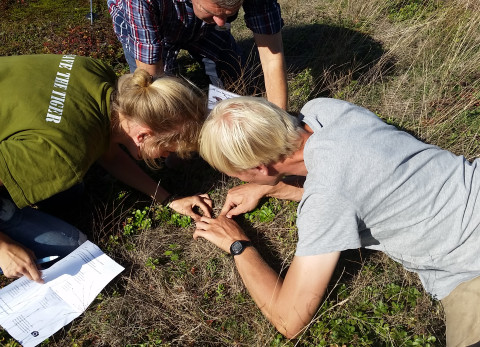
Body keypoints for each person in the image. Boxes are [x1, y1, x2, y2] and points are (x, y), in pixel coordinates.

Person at [195, 96, 480, 346]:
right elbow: (357, 176)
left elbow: (289, 319)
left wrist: (238, 244)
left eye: (236, 173)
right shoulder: (325, 111)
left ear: (259, 167)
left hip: (469, 264)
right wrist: (274, 186)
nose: (236, 179)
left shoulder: (327, 198)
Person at [0, 54, 212, 283]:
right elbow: (85, 146)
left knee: (70, 191)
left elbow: (107, 151)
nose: (166, 156)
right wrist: (3, 247)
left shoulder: (99, 76)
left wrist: (167, 199)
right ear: (143, 135)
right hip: (47, 149)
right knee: (73, 250)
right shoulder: (65, 153)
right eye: (168, 151)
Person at [107, 0, 288, 109]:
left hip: (199, 26)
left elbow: (272, 57)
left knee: (239, 80)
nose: (222, 21)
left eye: (230, 16)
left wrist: (282, 121)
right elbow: (151, 80)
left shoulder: (217, 18)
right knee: (153, 99)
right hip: (150, 24)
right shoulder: (140, 3)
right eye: (212, 12)